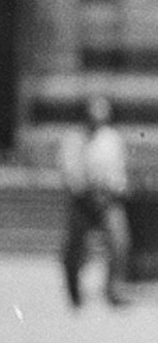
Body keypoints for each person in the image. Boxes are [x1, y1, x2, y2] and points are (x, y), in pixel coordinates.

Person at [59, 95, 132, 309]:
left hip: (107, 200)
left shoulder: (112, 139)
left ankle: (113, 289)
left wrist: (114, 189)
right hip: (82, 200)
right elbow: (69, 171)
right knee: (75, 247)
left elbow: (119, 170)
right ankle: (73, 290)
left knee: (119, 242)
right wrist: (84, 190)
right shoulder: (73, 138)